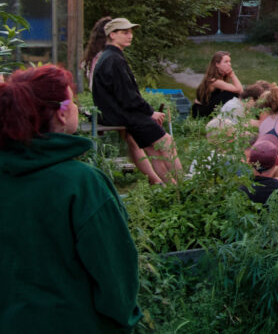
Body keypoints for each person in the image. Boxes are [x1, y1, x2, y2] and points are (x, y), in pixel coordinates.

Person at [0, 65, 142, 332]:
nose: (77, 107)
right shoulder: (81, 183)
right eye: (74, 101)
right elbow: (116, 278)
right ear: (61, 113)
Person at [91, 17, 182, 184]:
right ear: (112, 35)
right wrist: (149, 112)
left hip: (115, 113)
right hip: (122, 114)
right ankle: (185, 186)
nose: (130, 36)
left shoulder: (109, 56)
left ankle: (172, 189)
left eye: (131, 32)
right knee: (166, 142)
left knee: (152, 149)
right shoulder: (114, 59)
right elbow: (128, 97)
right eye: (125, 32)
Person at [191, 51, 244, 119]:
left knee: (233, 93)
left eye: (229, 61)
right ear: (217, 64)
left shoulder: (221, 77)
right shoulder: (213, 80)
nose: (229, 64)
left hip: (208, 106)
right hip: (201, 111)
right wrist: (232, 74)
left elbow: (240, 91)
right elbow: (239, 90)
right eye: (226, 62)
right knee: (231, 93)